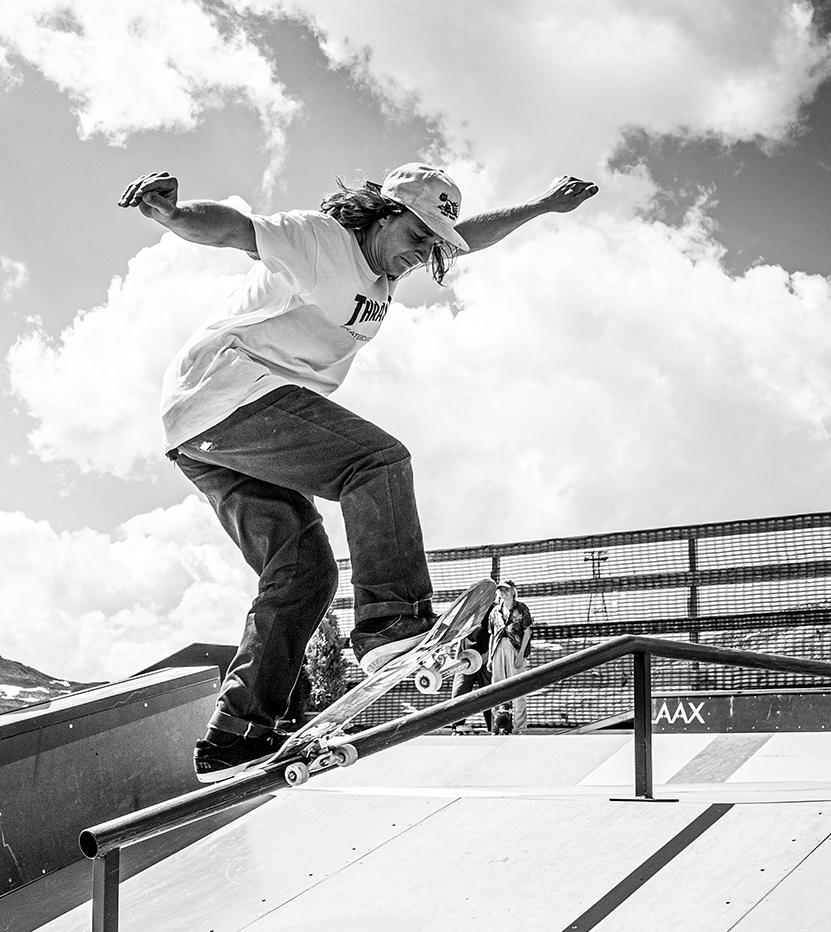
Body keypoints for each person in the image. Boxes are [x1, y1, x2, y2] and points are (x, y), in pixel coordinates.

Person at [121, 162, 599, 779]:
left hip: (206, 437)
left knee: (304, 575)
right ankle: (391, 626)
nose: (419, 257)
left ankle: (235, 737)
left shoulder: (387, 272)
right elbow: (234, 230)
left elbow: (467, 235)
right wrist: (173, 215)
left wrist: (539, 207)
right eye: (415, 237)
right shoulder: (320, 240)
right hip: (228, 396)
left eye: (432, 246)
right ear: (384, 213)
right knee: (377, 463)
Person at [486, 580, 535, 733]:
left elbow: (527, 632)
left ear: (513, 591)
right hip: (498, 649)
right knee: (497, 688)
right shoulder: (495, 612)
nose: (504, 593)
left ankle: (520, 727)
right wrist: (490, 657)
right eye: (501, 590)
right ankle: (499, 725)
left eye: (506, 590)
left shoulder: (521, 608)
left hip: (515, 649)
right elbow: (492, 635)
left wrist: (521, 655)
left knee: (519, 688)